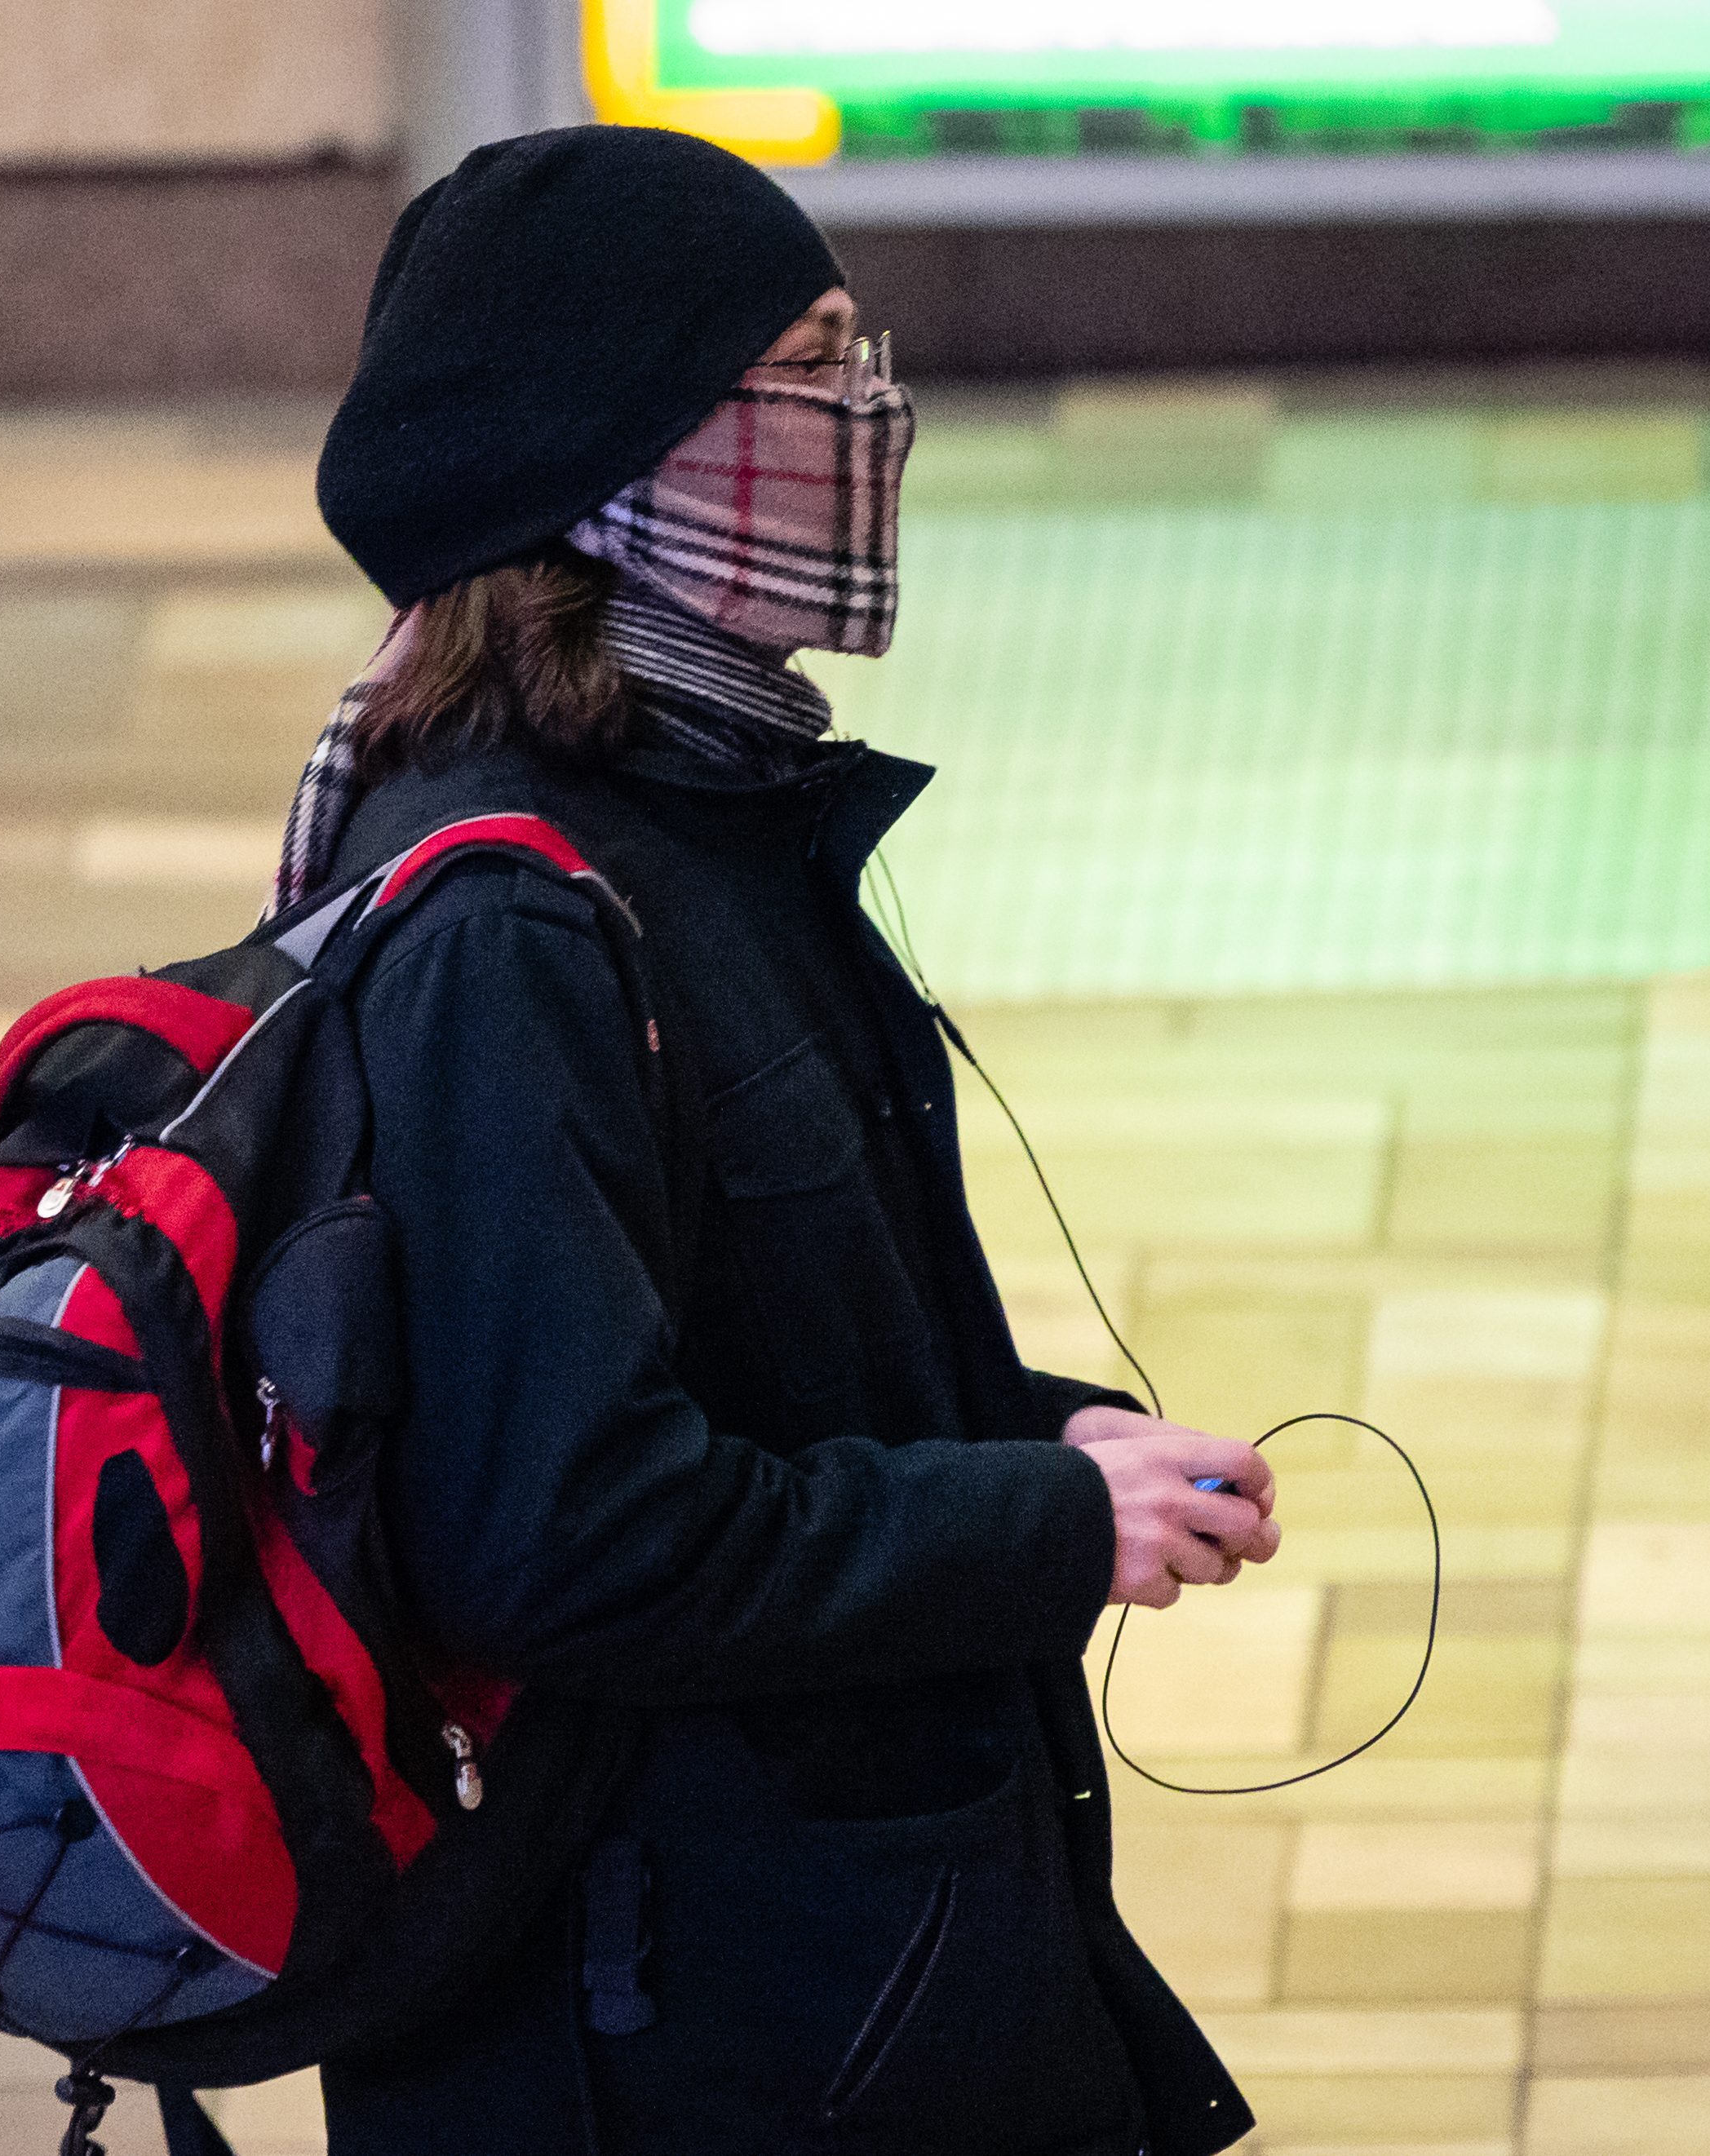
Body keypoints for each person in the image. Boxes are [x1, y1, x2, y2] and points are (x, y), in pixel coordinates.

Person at [278, 126, 1279, 2155]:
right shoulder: (512, 923)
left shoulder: (710, 810)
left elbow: (760, 1346)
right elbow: (569, 1530)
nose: (875, 412)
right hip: (683, 2039)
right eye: (813, 365)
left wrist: (1045, 1434)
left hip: (834, 1977)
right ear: (619, 453)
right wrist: (1042, 1531)